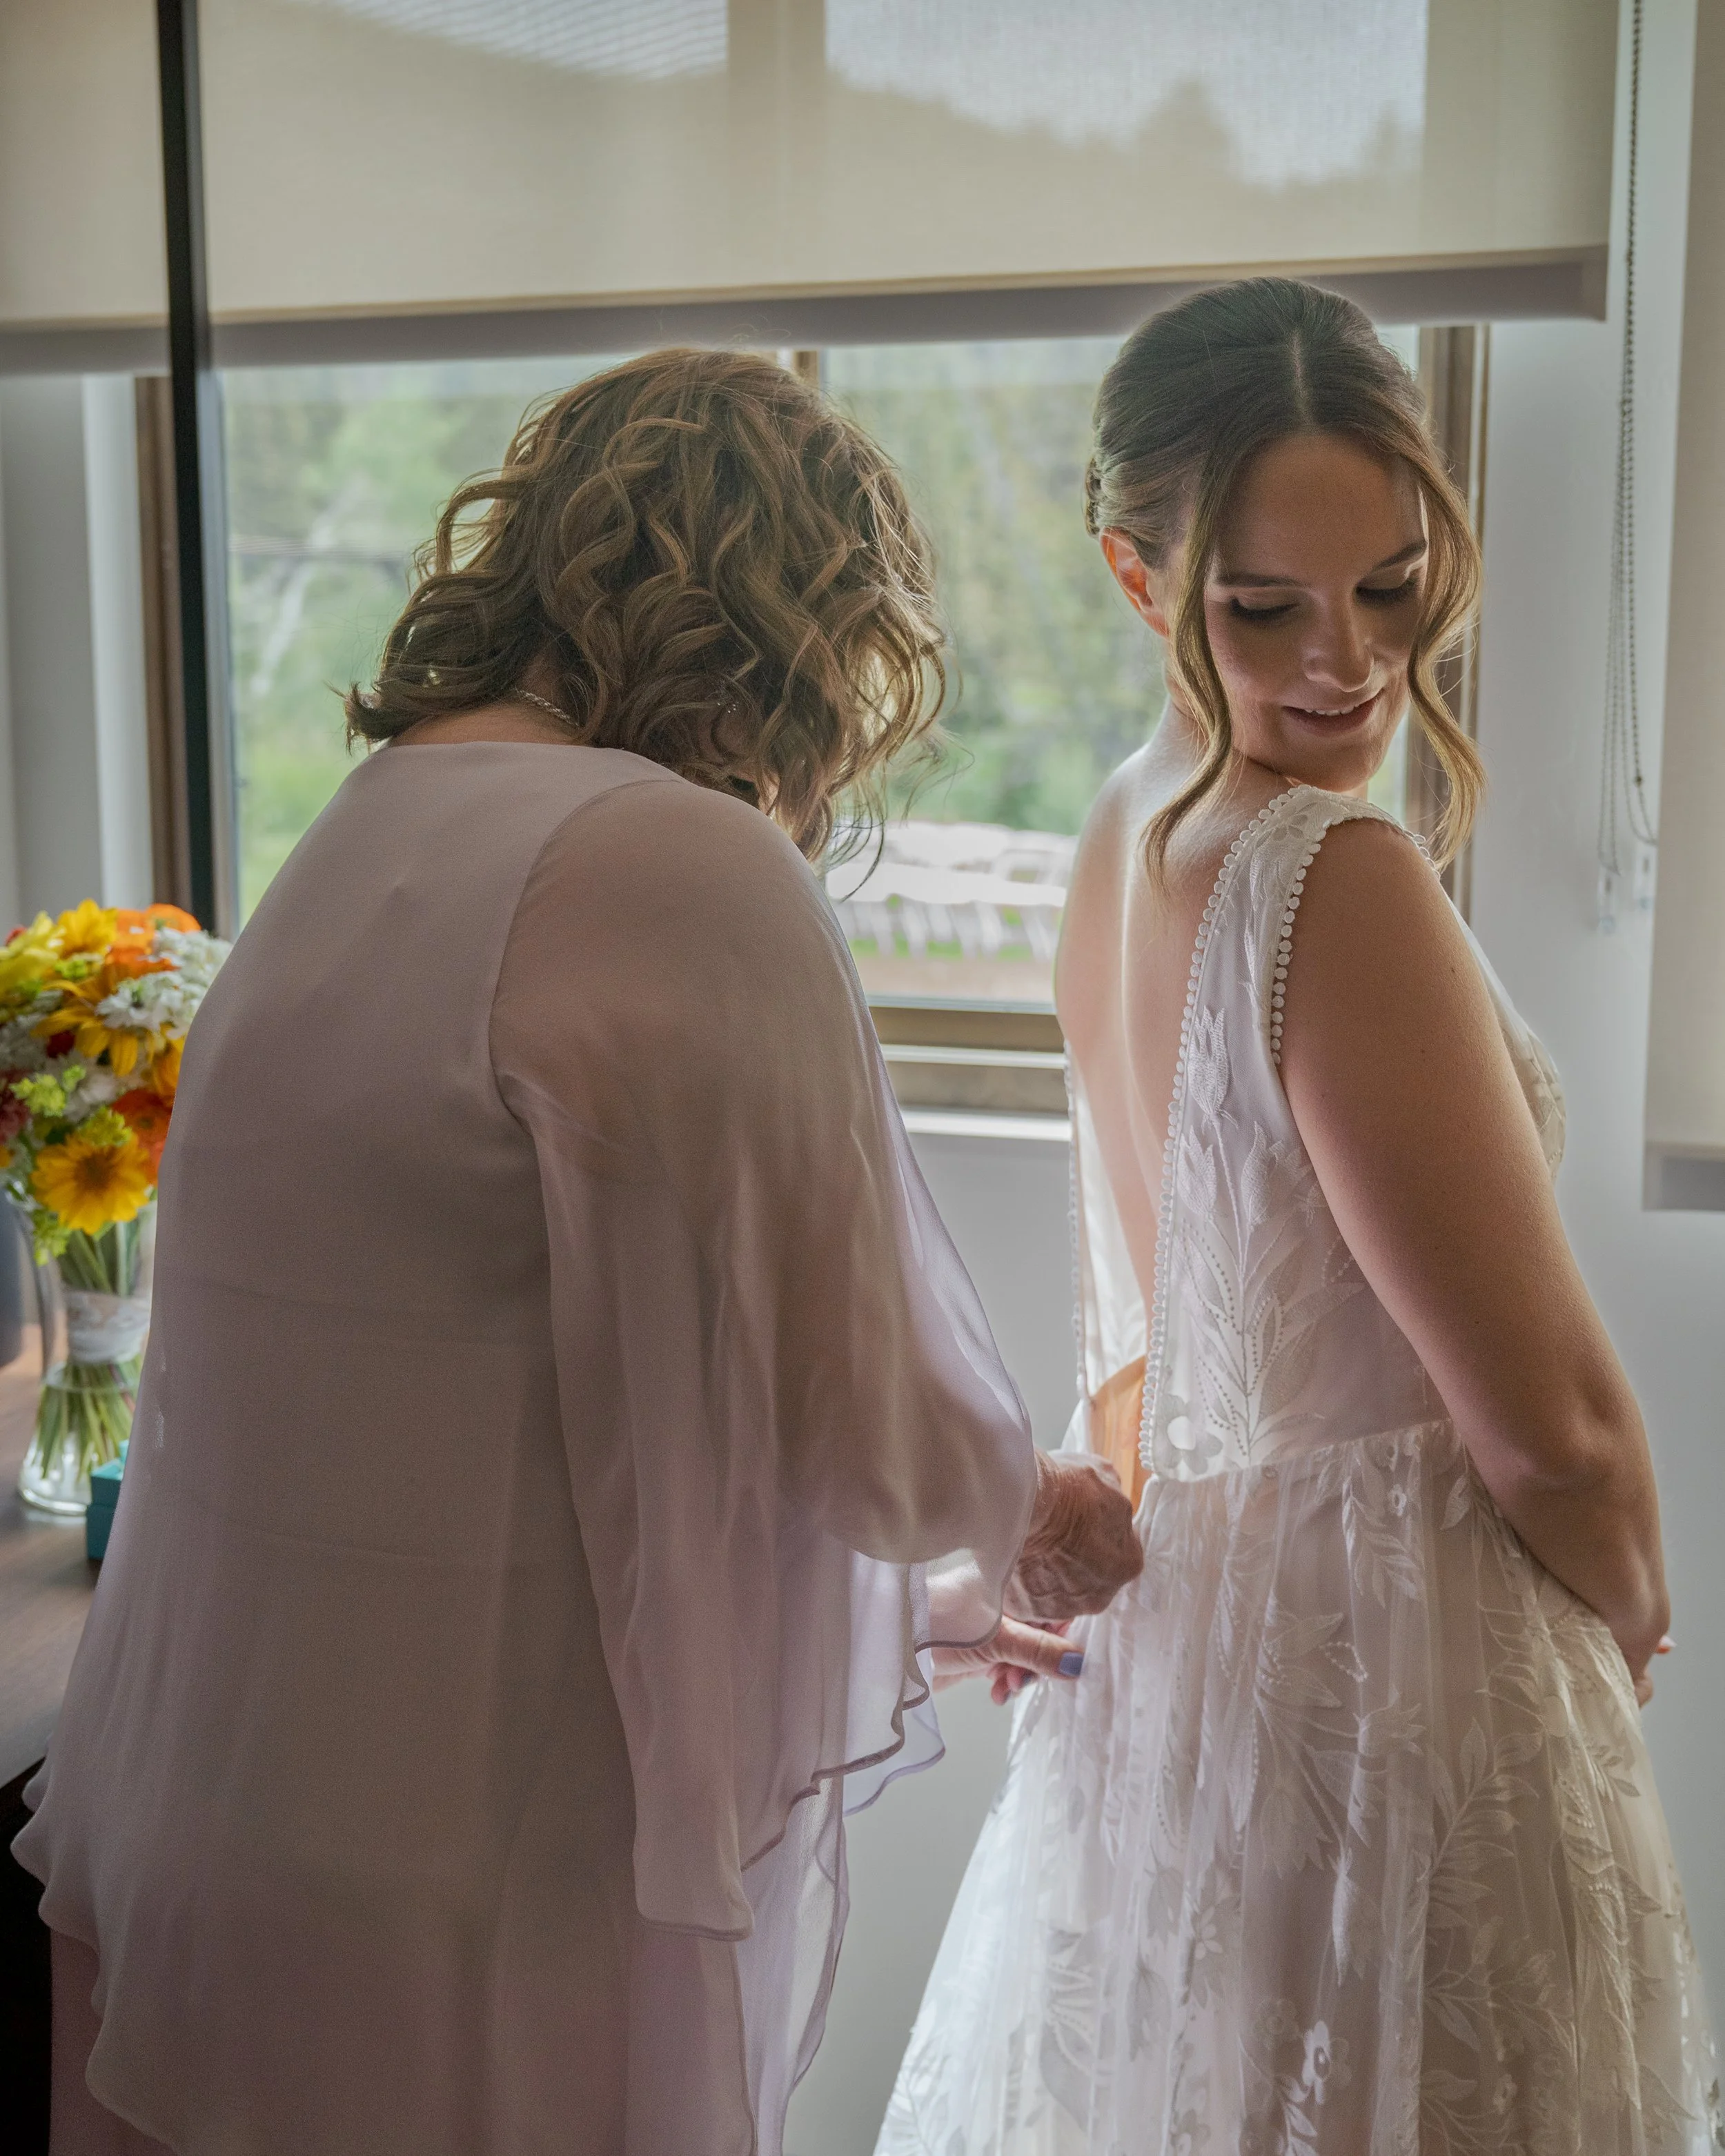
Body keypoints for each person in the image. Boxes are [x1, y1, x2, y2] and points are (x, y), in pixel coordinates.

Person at [14, 349, 1142, 2156]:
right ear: (801, 632)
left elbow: (480, 1414)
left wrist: (913, 1610)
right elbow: (872, 1415)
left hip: (208, 1830)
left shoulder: (369, 821)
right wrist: (1042, 1502)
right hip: (454, 1888)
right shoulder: (671, 863)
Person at [878, 279, 1720, 2153]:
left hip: (1189, 1691)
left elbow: (1168, 1336)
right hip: (1402, 1714)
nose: (1347, 664)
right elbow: (1555, 1431)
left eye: (1391, 586)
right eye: (1263, 608)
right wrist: (1634, 1610)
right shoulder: (1332, 871)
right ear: (1135, 576)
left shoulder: (1123, 828)